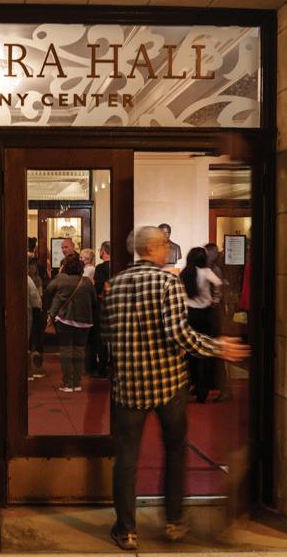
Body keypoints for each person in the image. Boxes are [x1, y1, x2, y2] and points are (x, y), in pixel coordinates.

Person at [104, 226, 249, 549]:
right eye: (164, 244)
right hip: (167, 383)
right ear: (152, 248)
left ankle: (126, 530)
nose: (168, 249)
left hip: (128, 385)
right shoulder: (167, 282)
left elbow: (108, 336)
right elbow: (178, 334)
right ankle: (173, 521)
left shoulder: (116, 284)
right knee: (174, 451)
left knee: (126, 458)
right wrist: (217, 347)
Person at [46, 253, 97, 392]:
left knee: (66, 350)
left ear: (65, 266)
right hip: (84, 321)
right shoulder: (86, 282)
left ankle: (68, 383)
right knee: (79, 350)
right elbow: (94, 301)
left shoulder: (61, 278)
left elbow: (48, 290)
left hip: (65, 319)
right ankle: (77, 382)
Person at [180, 247, 223, 403]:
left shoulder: (185, 273)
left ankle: (194, 384)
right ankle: (203, 390)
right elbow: (218, 283)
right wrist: (215, 299)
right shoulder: (206, 272)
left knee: (191, 351)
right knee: (204, 351)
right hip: (205, 315)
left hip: (190, 314)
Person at [86, 241, 111, 378]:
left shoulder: (100, 268)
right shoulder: (117, 266)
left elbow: (98, 288)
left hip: (102, 306)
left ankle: (102, 368)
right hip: (115, 306)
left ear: (103, 251)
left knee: (100, 339)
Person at [28, 257, 46, 376]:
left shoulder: (37, 279)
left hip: (35, 309)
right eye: (31, 265)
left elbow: (39, 295)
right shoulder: (27, 279)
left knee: (36, 335)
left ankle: (36, 364)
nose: (33, 268)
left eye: (34, 265)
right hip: (31, 308)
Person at [27, 273, 42, 381]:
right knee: (25, 343)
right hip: (27, 312)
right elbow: (35, 299)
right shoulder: (27, 279)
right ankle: (27, 372)